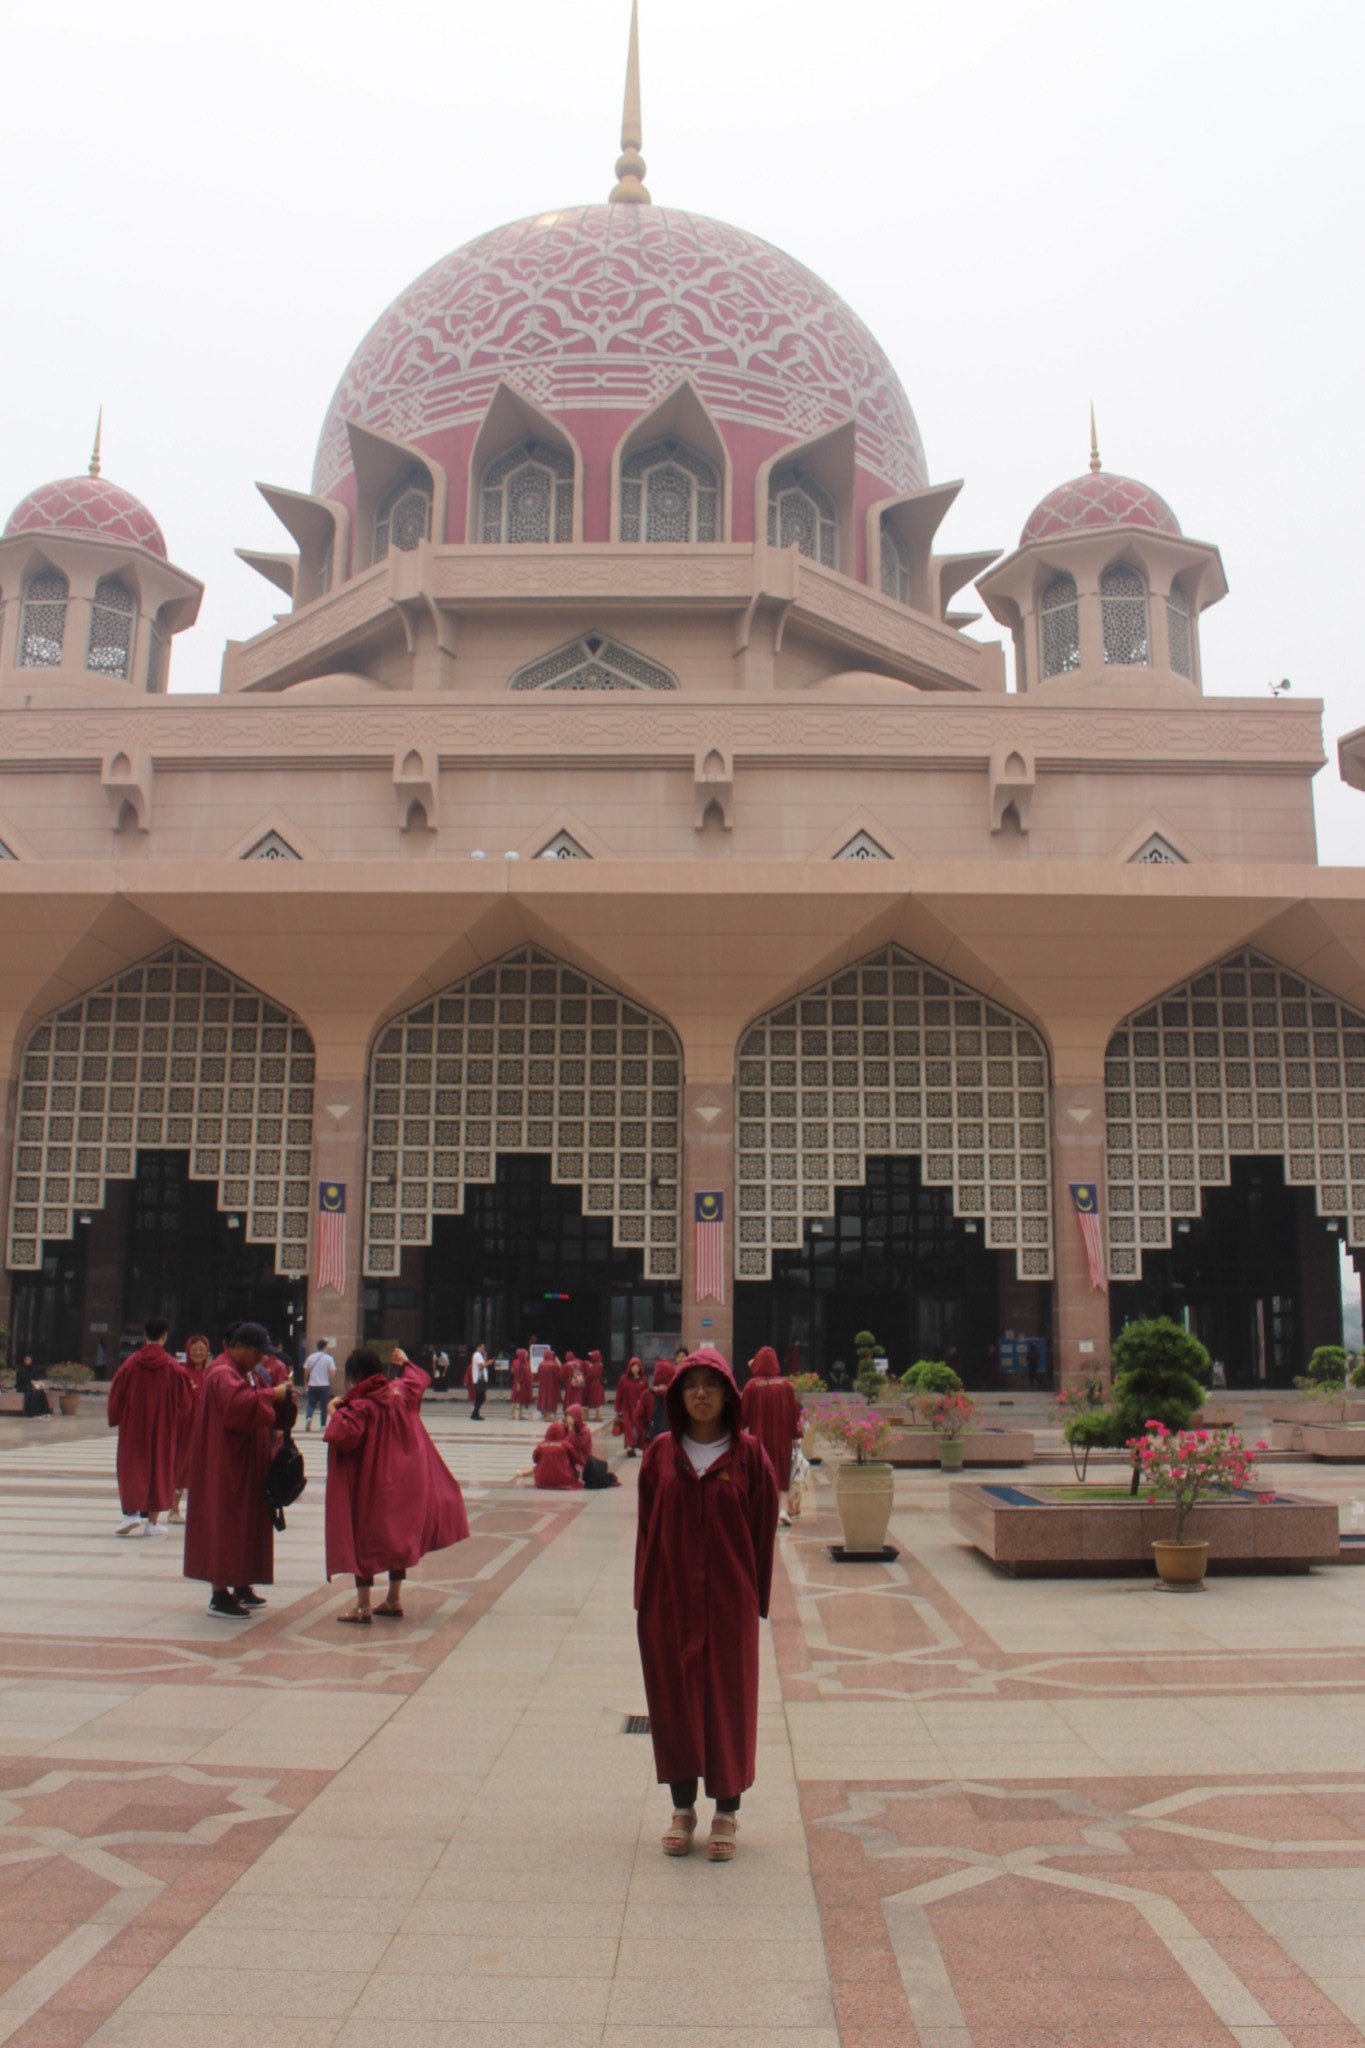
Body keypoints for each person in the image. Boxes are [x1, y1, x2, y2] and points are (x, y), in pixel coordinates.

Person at [635, 1348, 777, 1863]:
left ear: (727, 1394)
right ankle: (681, 1809)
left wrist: (754, 1599)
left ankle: (726, 1811)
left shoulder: (748, 1456)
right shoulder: (659, 1454)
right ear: (677, 1395)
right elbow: (646, 1529)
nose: (700, 1394)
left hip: (728, 1601)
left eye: (711, 1385)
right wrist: (644, 1598)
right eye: (691, 1385)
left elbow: (762, 1530)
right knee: (672, 1700)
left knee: (727, 1702)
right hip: (668, 1598)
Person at [323, 1347, 469, 1623]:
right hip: (405, 1482)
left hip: (372, 1485)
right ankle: (393, 1598)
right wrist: (406, 1362)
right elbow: (420, 1378)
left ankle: (363, 1606)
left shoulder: (360, 1406)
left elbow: (343, 1434)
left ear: (355, 1375)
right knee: (397, 1538)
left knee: (364, 1538)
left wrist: (333, 1410)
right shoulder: (400, 1393)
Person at [183, 1321, 292, 1619]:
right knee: (227, 1522)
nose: (262, 1359)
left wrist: (278, 1398)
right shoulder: (222, 1373)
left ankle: (241, 1582)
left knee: (247, 1521)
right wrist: (273, 1395)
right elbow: (237, 1409)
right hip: (227, 1464)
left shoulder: (244, 1372)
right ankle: (219, 1594)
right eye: (257, 1353)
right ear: (239, 1347)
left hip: (245, 1461)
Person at [106, 1316, 192, 1538]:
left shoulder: (131, 1363)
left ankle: (132, 1512)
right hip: (163, 1427)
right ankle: (152, 1522)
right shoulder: (173, 1367)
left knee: (133, 1465)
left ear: (145, 1335)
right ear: (164, 1336)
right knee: (160, 1468)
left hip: (133, 1425)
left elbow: (116, 1394)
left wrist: (115, 1417)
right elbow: (185, 1404)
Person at [740, 1345, 803, 1529]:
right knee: (782, 1473)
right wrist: (796, 1437)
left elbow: (742, 1416)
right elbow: (794, 1414)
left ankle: (762, 1512)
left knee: (760, 1474)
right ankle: (782, 1510)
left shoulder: (752, 1386)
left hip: (758, 1439)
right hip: (782, 1439)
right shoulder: (786, 1385)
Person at [170, 1332, 212, 1522]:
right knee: (182, 1467)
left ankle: (200, 1511)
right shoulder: (181, 1373)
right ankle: (174, 1509)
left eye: (201, 1350)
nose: (197, 1353)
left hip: (205, 1430)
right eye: (194, 1349)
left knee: (204, 1470)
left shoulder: (211, 1374)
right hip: (184, 1430)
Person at [513, 1420, 580, 1489]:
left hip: (542, 1481)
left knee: (542, 1464)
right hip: (563, 1480)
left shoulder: (541, 1444)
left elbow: (535, 1459)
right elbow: (575, 1459)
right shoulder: (566, 1445)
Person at [615, 1356, 653, 1457]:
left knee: (640, 1428)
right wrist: (618, 1410)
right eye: (633, 1366)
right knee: (629, 1428)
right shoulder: (623, 1380)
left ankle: (640, 1445)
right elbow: (619, 1395)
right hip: (627, 1408)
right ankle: (631, 1447)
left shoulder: (643, 1380)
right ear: (629, 1368)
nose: (635, 1368)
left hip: (639, 1408)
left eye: (637, 1366)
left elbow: (648, 1396)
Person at [302, 1339, 336, 1431]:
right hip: (324, 1386)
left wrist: (305, 1382)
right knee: (324, 1406)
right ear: (325, 1347)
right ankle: (323, 1425)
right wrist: (330, 1381)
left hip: (312, 1385)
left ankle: (309, 1418)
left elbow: (305, 1370)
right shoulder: (329, 1358)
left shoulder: (311, 1357)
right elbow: (332, 1372)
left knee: (311, 1404)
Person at [647, 1351, 679, 1440]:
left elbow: (639, 1416)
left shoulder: (648, 1394)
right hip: (672, 1437)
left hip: (653, 1437)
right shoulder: (677, 1394)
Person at [14, 1354, 51, 1418]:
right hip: (23, 1386)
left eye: (29, 1360)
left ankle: (43, 1410)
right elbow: (20, 1381)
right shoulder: (21, 1370)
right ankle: (32, 1411)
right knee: (32, 1391)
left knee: (41, 1391)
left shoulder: (33, 1369)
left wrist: (38, 1384)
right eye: (26, 1360)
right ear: (24, 1361)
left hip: (33, 1385)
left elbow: (36, 1379)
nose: (28, 1361)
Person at [536, 1348, 563, 1419]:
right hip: (552, 1386)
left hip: (543, 1386)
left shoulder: (541, 1364)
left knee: (544, 1399)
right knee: (550, 1399)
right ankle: (548, 1416)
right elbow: (559, 1375)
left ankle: (544, 1414)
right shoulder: (554, 1365)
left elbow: (538, 1375)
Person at [509, 1347, 534, 1420]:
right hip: (519, 1383)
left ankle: (520, 1414)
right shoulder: (516, 1363)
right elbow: (515, 1374)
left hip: (526, 1383)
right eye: (526, 1354)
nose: (527, 1355)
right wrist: (517, 1384)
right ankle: (511, 1413)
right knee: (516, 1398)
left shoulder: (526, 1362)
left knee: (522, 1399)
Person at [583, 1349, 606, 1421]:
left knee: (596, 1400)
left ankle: (598, 1417)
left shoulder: (599, 1364)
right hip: (590, 1384)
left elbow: (591, 1373)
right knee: (587, 1400)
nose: (591, 1358)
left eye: (592, 1356)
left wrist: (587, 1366)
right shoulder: (595, 1364)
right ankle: (586, 1416)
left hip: (595, 1385)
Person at [469, 1342, 489, 1421]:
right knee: (481, 1398)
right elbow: (481, 1365)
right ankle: (474, 1413)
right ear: (478, 1347)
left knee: (479, 1398)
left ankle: (476, 1413)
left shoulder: (478, 1355)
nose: (484, 1349)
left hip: (479, 1379)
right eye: (482, 1347)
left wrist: (485, 1357)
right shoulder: (477, 1355)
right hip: (479, 1380)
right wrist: (488, 1363)